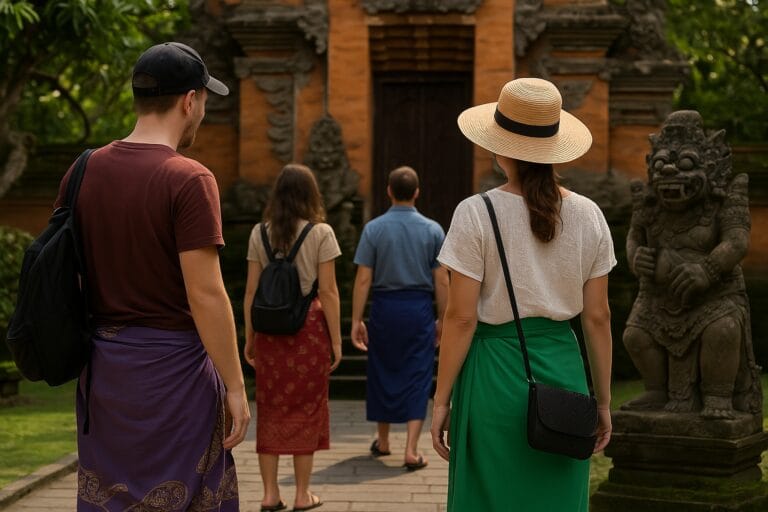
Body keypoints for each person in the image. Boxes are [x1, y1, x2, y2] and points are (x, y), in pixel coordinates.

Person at [56, 42, 250, 511]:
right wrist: (237, 385)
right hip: (175, 372)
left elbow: (72, 279)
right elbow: (206, 293)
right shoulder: (188, 178)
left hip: (106, 375)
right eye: (203, 100)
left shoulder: (82, 172)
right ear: (190, 100)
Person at [430, 77, 615, 511]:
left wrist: (441, 400)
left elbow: (460, 318)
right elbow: (598, 318)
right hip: (563, 373)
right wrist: (603, 401)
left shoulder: (475, 213)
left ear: (499, 147)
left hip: (493, 373)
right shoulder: (589, 216)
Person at [243, 163, 343, 512]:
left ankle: (270, 494)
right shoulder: (321, 233)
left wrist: (249, 336)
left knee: (270, 409)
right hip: (308, 332)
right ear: (310, 195)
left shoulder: (259, 233)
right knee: (308, 408)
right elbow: (328, 292)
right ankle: (302, 495)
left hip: (270, 334)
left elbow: (251, 291)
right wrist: (336, 341)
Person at [351, 166, 448, 470]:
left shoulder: (374, 229)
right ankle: (410, 449)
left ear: (389, 191)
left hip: (384, 307)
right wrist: (443, 317)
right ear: (417, 193)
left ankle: (383, 441)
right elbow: (442, 280)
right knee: (417, 373)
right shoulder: (432, 230)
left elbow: (363, 278)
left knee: (382, 369)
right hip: (418, 308)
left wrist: (356, 319)